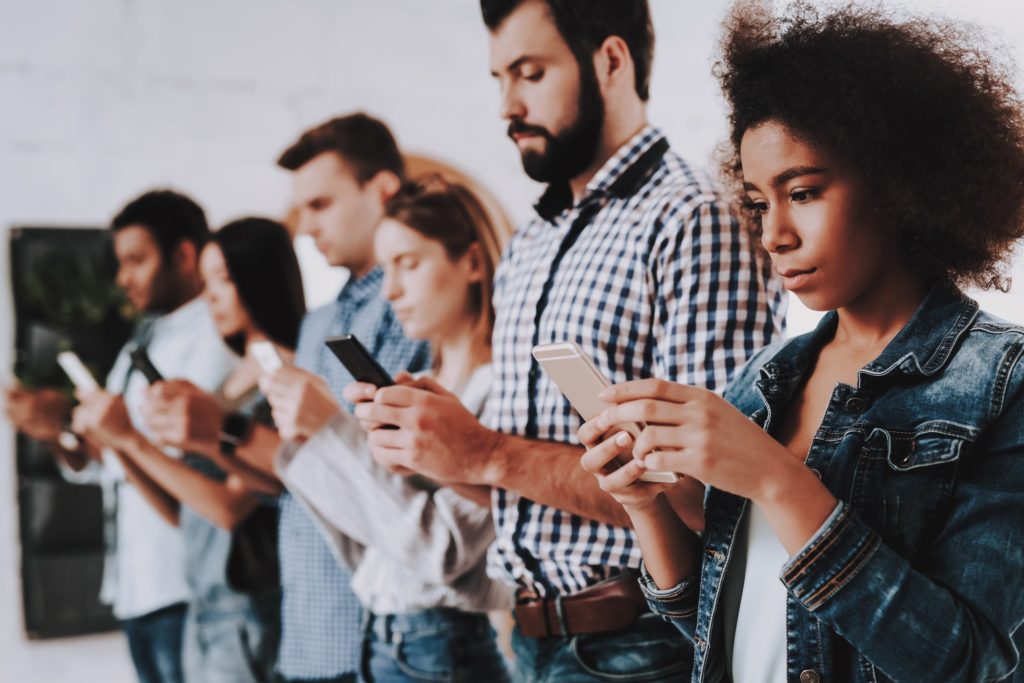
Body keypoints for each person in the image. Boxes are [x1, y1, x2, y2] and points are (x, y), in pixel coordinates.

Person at [578, 2, 1024, 681]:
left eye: (804, 193)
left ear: (901, 185)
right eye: (759, 202)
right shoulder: (767, 378)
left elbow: (966, 663)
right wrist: (645, 505)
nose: (773, 235)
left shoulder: (1003, 382)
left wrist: (777, 478)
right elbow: (718, 623)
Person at [351, 1, 786, 680]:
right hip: (529, 641)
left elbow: (713, 497)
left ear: (610, 60)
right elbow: (523, 491)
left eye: (530, 74)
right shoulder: (529, 243)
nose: (507, 106)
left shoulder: (696, 221)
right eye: (499, 79)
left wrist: (486, 450)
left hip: (641, 644)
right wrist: (446, 448)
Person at [145, 114, 431, 683]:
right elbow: (294, 478)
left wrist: (224, 430)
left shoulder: (411, 310)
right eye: (302, 209)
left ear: (382, 190)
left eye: (320, 205)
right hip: (304, 622)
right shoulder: (318, 322)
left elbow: (401, 477)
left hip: (377, 627)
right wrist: (214, 436)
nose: (306, 226)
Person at [263, 175, 513, 682]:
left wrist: (332, 431)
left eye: (409, 263)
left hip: (438, 647)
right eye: (386, 267)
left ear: (471, 262)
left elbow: (440, 550)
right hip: (382, 636)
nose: (391, 290)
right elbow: (372, 542)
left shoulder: (501, 389)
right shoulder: (424, 384)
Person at [5, 190, 237, 683]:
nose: (122, 278)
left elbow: (182, 460)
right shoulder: (144, 339)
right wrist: (58, 431)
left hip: (186, 583)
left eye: (136, 260)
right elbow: (108, 453)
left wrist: (106, 434)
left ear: (184, 255)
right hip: (136, 586)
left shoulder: (216, 339)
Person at [74, 217, 305, 682]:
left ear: (259, 278)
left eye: (224, 279)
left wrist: (134, 440)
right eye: (207, 280)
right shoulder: (229, 384)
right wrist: (120, 443)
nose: (211, 295)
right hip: (203, 602)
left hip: (247, 607)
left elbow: (228, 509)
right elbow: (185, 512)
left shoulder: (286, 378)